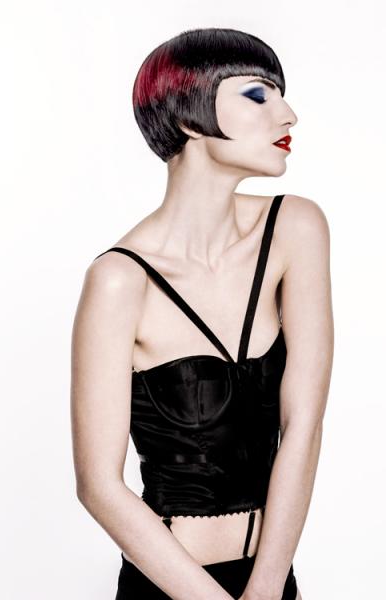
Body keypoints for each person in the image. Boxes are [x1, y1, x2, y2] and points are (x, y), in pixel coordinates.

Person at [71, 27, 333, 600]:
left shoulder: (295, 228)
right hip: (169, 587)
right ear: (190, 117)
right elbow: (99, 486)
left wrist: (267, 586)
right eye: (257, 95)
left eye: (281, 95)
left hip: (272, 579)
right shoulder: (119, 280)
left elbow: (304, 424)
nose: (288, 114)